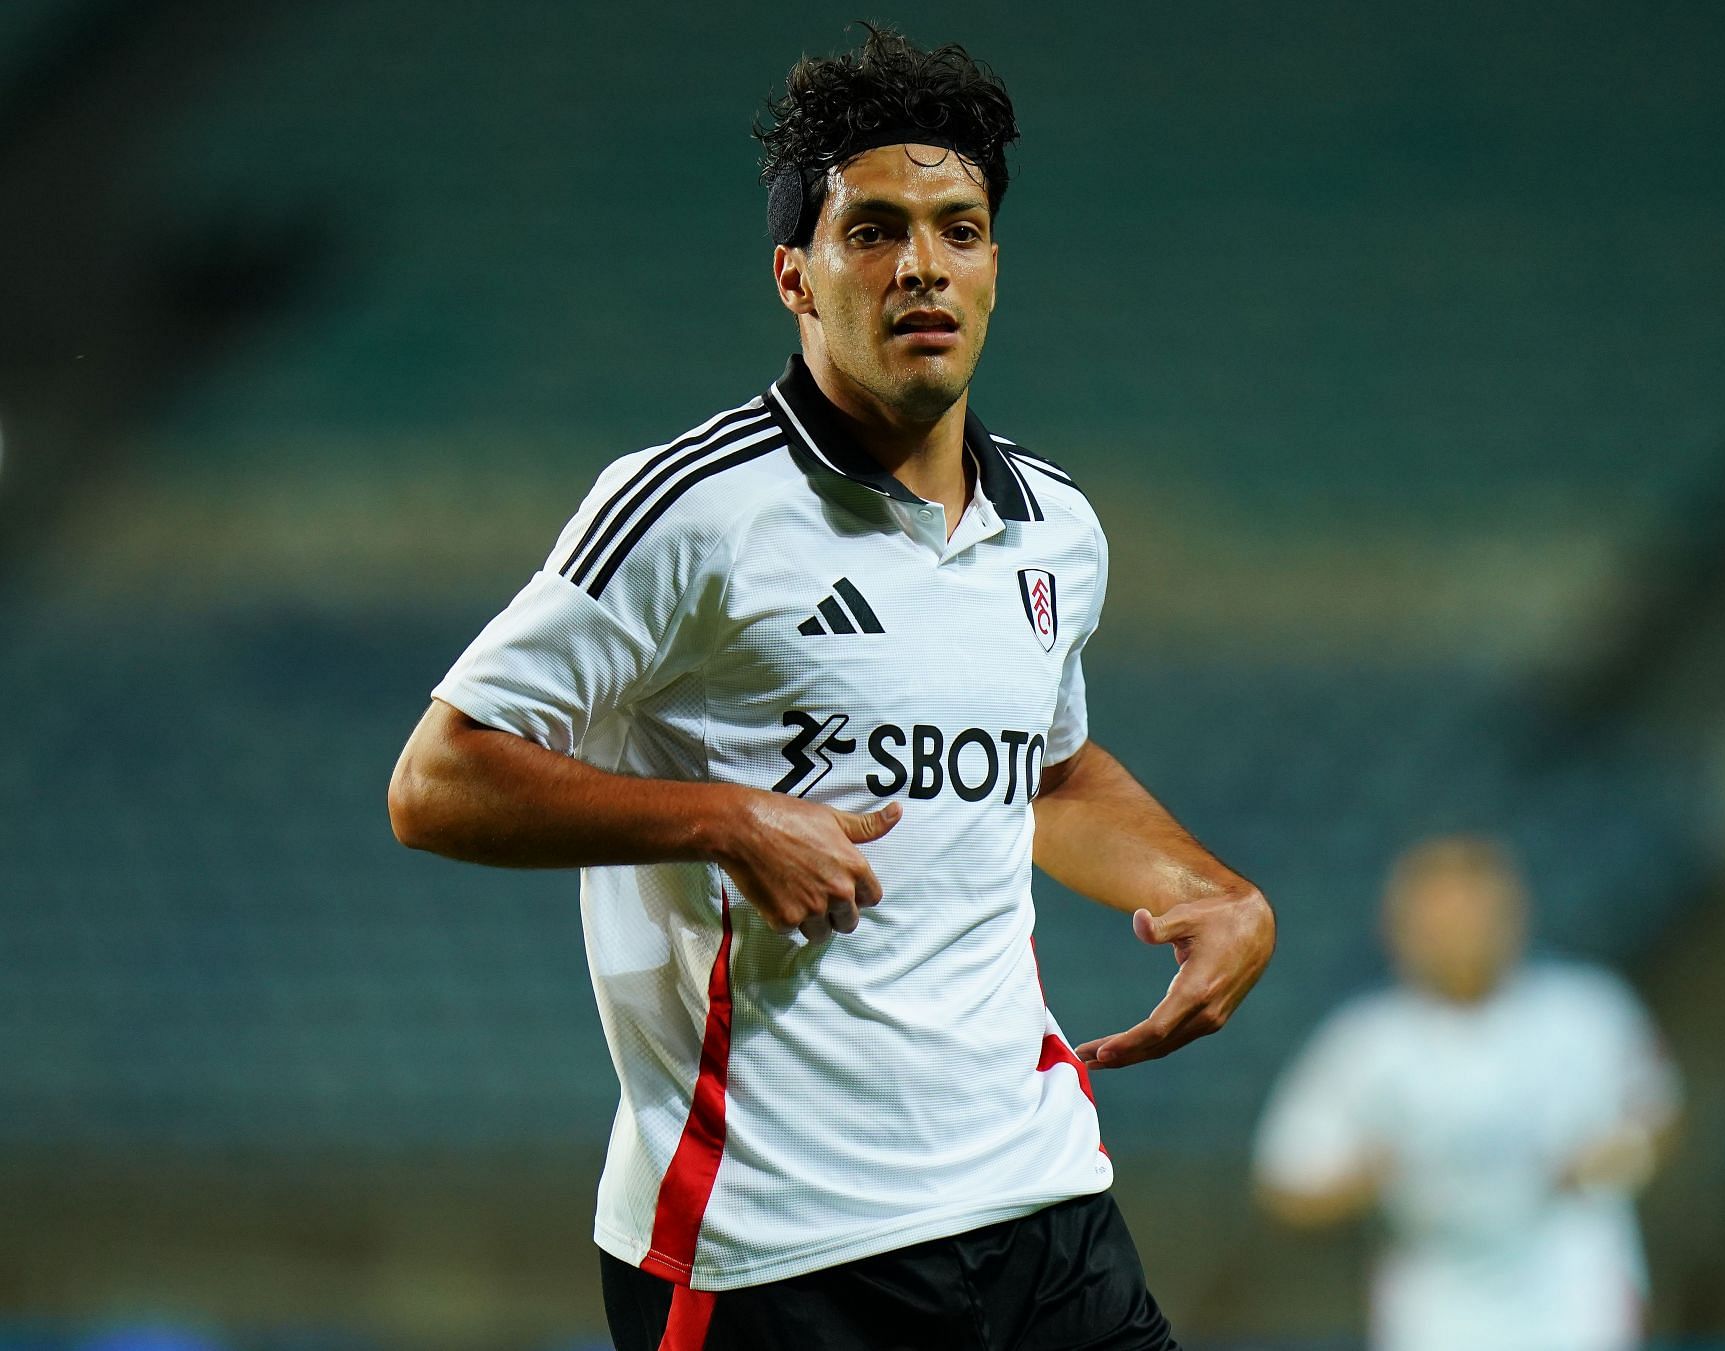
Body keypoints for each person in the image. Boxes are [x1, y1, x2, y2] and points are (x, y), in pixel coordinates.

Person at [387, 26, 1273, 1351]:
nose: (923, 263)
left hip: (1040, 1202)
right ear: (796, 273)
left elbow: (1046, 767)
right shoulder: (688, 508)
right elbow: (437, 779)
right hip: (779, 1246)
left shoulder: (1055, 530)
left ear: (992, 262)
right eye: (874, 229)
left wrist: (1201, 886)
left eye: (959, 227)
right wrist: (725, 818)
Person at [1251, 837, 1680, 1351]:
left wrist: (1614, 1159)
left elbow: (1656, 1118)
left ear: (1512, 916)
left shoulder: (1588, 1012)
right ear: (1400, 929)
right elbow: (1286, 1182)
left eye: (1474, 914)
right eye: (1440, 920)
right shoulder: (1364, 1045)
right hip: (1436, 1304)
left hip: (1574, 1293)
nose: (1459, 936)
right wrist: (1367, 1177)